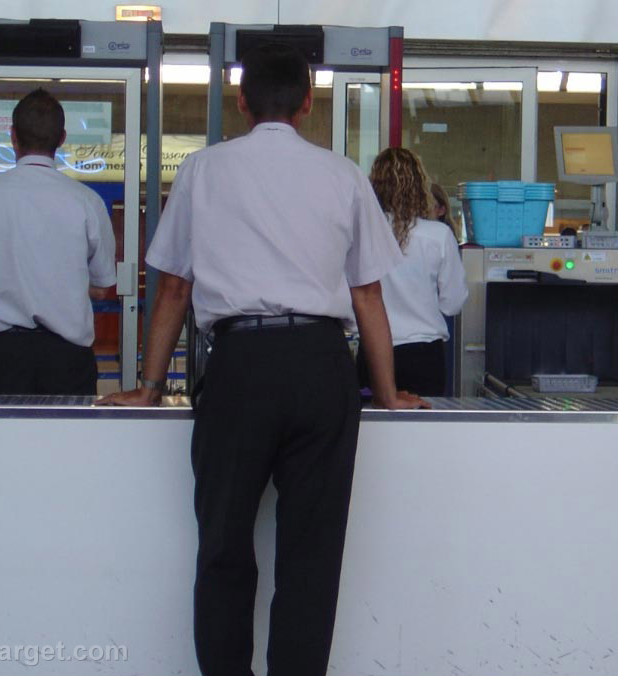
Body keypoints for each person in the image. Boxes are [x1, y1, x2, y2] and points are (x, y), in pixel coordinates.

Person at [98, 45, 425, 676]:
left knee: (223, 544)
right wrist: (386, 393)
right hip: (321, 366)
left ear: (242, 101)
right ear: (308, 103)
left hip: (238, 365)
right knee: (311, 555)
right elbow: (367, 296)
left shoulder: (203, 170)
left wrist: (149, 384)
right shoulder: (343, 175)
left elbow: (174, 288)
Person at [0, 88, 116, 395]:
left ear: (12, 136)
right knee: (68, 429)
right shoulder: (87, 201)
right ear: (62, 139)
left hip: (1, 356)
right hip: (67, 359)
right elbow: (103, 287)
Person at [359, 148, 468, 396]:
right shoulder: (438, 235)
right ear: (420, 186)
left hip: (372, 349)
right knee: (422, 419)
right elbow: (452, 303)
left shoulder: (363, 233)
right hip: (423, 354)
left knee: (371, 420)